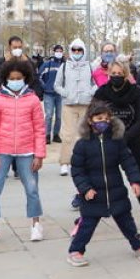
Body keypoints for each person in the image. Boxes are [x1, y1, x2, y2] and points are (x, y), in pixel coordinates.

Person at [67, 102, 140, 266]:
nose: (103, 122)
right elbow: (77, 170)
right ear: (90, 120)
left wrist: (135, 181)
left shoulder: (116, 140)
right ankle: (76, 250)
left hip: (116, 191)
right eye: (99, 118)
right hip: (93, 193)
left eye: (106, 119)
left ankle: (138, 245)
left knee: (127, 222)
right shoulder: (82, 144)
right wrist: (85, 188)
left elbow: (128, 161)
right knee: (87, 224)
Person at [0, 58, 47, 245]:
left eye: (19, 77)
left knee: (32, 188)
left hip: (27, 151)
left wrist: (39, 155)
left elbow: (40, 129)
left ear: (25, 78)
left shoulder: (32, 99)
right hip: (2, 150)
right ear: (5, 78)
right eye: (12, 78)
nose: (15, 81)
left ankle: (35, 224)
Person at [93, 60, 140, 230]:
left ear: (126, 74)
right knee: (99, 179)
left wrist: (124, 137)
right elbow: (93, 115)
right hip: (107, 141)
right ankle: (85, 219)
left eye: (119, 74)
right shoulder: (102, 92)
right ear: (108, 74)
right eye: (113, 73)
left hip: (133, 141)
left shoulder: (137, 93)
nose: (116, 76)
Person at [55, 38, 95, 177]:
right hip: (69, 104)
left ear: (84, 51)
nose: (77, 52)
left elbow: (97, 83)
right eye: (74, 49)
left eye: (79, 50)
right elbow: (57, 85)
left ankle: (82, 163)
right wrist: (65, 93)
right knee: (67, 134)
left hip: (85, 104)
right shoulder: (64, 66)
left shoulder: (90, 66)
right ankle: (64, 163)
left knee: (84, 134)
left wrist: (90, 92)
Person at [39, 45, 66, 144]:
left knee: (59, 116)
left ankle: (56, 134)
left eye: (60, 51)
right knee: (49, 115)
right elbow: (39, 76)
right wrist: (45, 86)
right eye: (57, 51)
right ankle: (47, 135)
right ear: (53, 52)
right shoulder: (47, 64)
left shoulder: (65, 65)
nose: (59, 52)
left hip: (60, 95)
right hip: (48, 94)